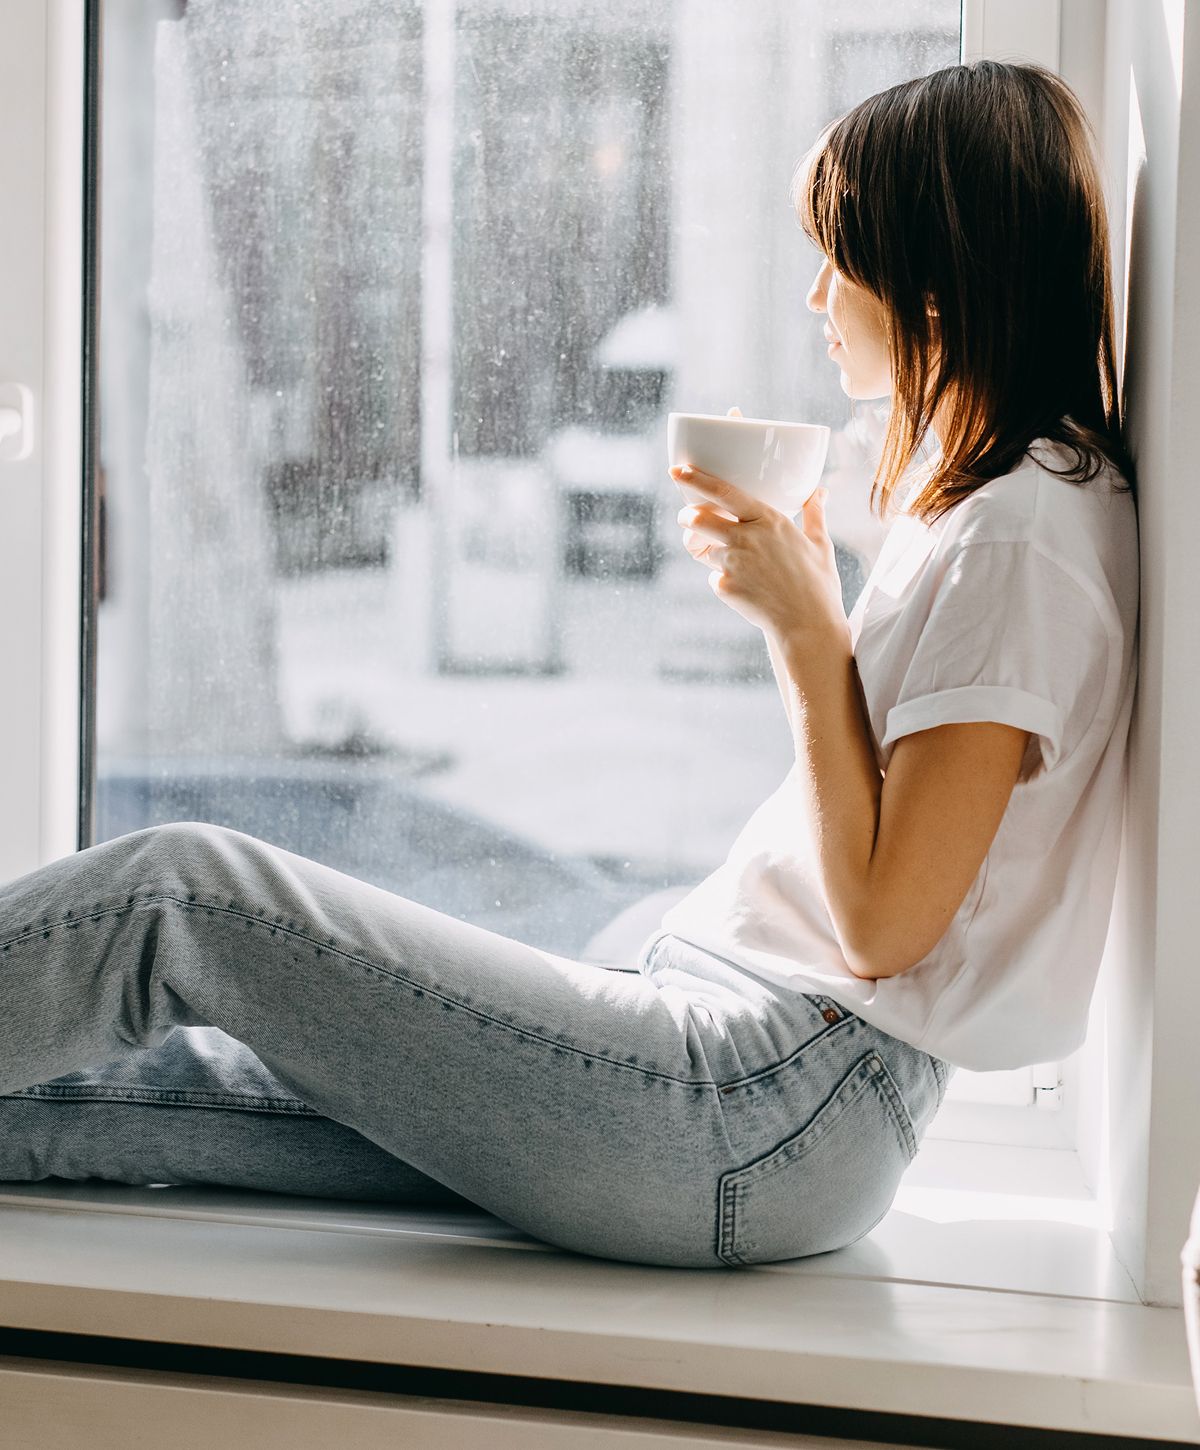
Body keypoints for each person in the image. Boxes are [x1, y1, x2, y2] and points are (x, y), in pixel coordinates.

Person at [0, 60, 1138, 1269]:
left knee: (183, 895)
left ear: (931, 287)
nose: (814, 294)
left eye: (839, 257)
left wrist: (806, 630)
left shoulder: (1021, 533)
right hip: (759, 1086)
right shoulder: (1015, 505)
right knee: (101, 1090)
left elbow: (883, 924)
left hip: (761, 1104)